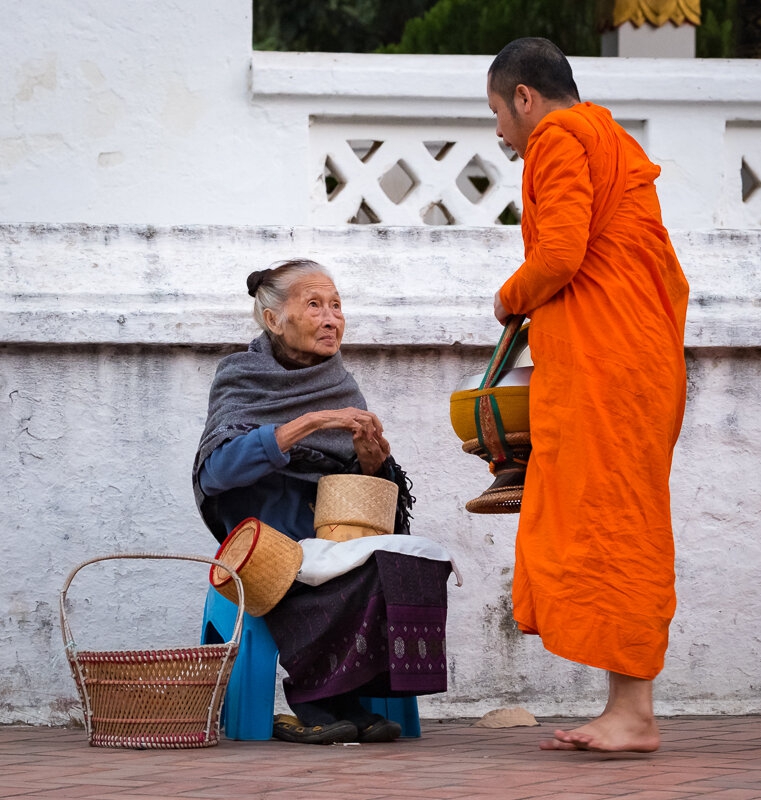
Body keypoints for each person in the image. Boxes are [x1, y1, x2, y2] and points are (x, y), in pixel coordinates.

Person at [486, 38, 689, 752]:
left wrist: (509, 297)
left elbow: (562, 252)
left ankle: (633, 713)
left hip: (610, 365)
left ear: (524, 97)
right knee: (622, 519)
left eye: (497, 113)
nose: (500, 132)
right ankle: (628, 708)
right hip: (638, 357)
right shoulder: (612, 138)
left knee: (615, 524)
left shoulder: (559, 137)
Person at [193, 259, 457, 745]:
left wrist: (372, 463)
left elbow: (360, 495)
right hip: (267, 543)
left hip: (332, 538)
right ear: (274, 319)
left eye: (336, 306)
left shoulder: (340, 384)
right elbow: (217, 472)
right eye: (314, 305)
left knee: (399, 564)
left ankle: (355, 696)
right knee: (314, 573)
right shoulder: (241, 375)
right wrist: (310, 422)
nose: (331, 318)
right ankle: (318, 700)